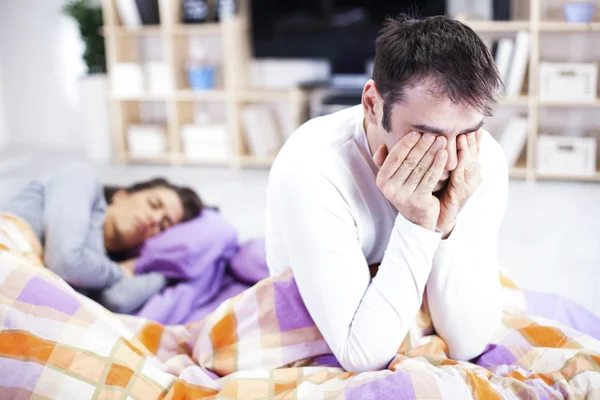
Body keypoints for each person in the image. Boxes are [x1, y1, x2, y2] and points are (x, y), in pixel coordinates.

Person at [265, 15, 507, 372]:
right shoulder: (310, 168)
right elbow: (361, 356)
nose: (449, 160)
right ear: (372, 104)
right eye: (427, 135)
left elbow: (468, 343)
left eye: (466, 133)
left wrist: (448, 218)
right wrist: (419, 221)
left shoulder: (478, 156)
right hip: (318, 324)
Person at [1, 162, 204, 313]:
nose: (154, 219)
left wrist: (166, 271)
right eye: (153, 204)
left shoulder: (99, 268)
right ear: (121, 195)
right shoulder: (81, 177)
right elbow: (65, 261)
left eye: (164, 225)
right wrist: (119, 272)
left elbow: (117, 301)